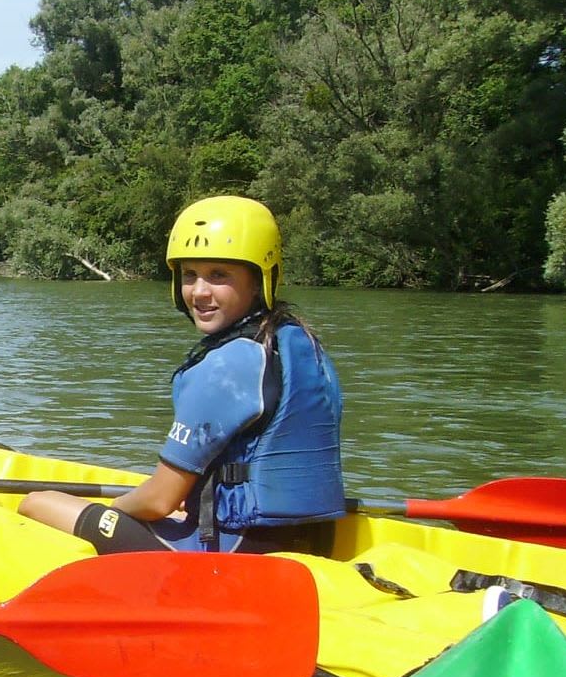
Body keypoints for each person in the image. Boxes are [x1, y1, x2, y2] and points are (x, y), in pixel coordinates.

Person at [19, 195, 346, 553]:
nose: (200, 292)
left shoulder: (228, 365)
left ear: (258, 281)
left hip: (235, 559)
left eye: (219, 275)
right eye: (190, 275)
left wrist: (112, 513)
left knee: (38, 502)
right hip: (312, 547)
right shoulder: (302, 344)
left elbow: (160, 500)